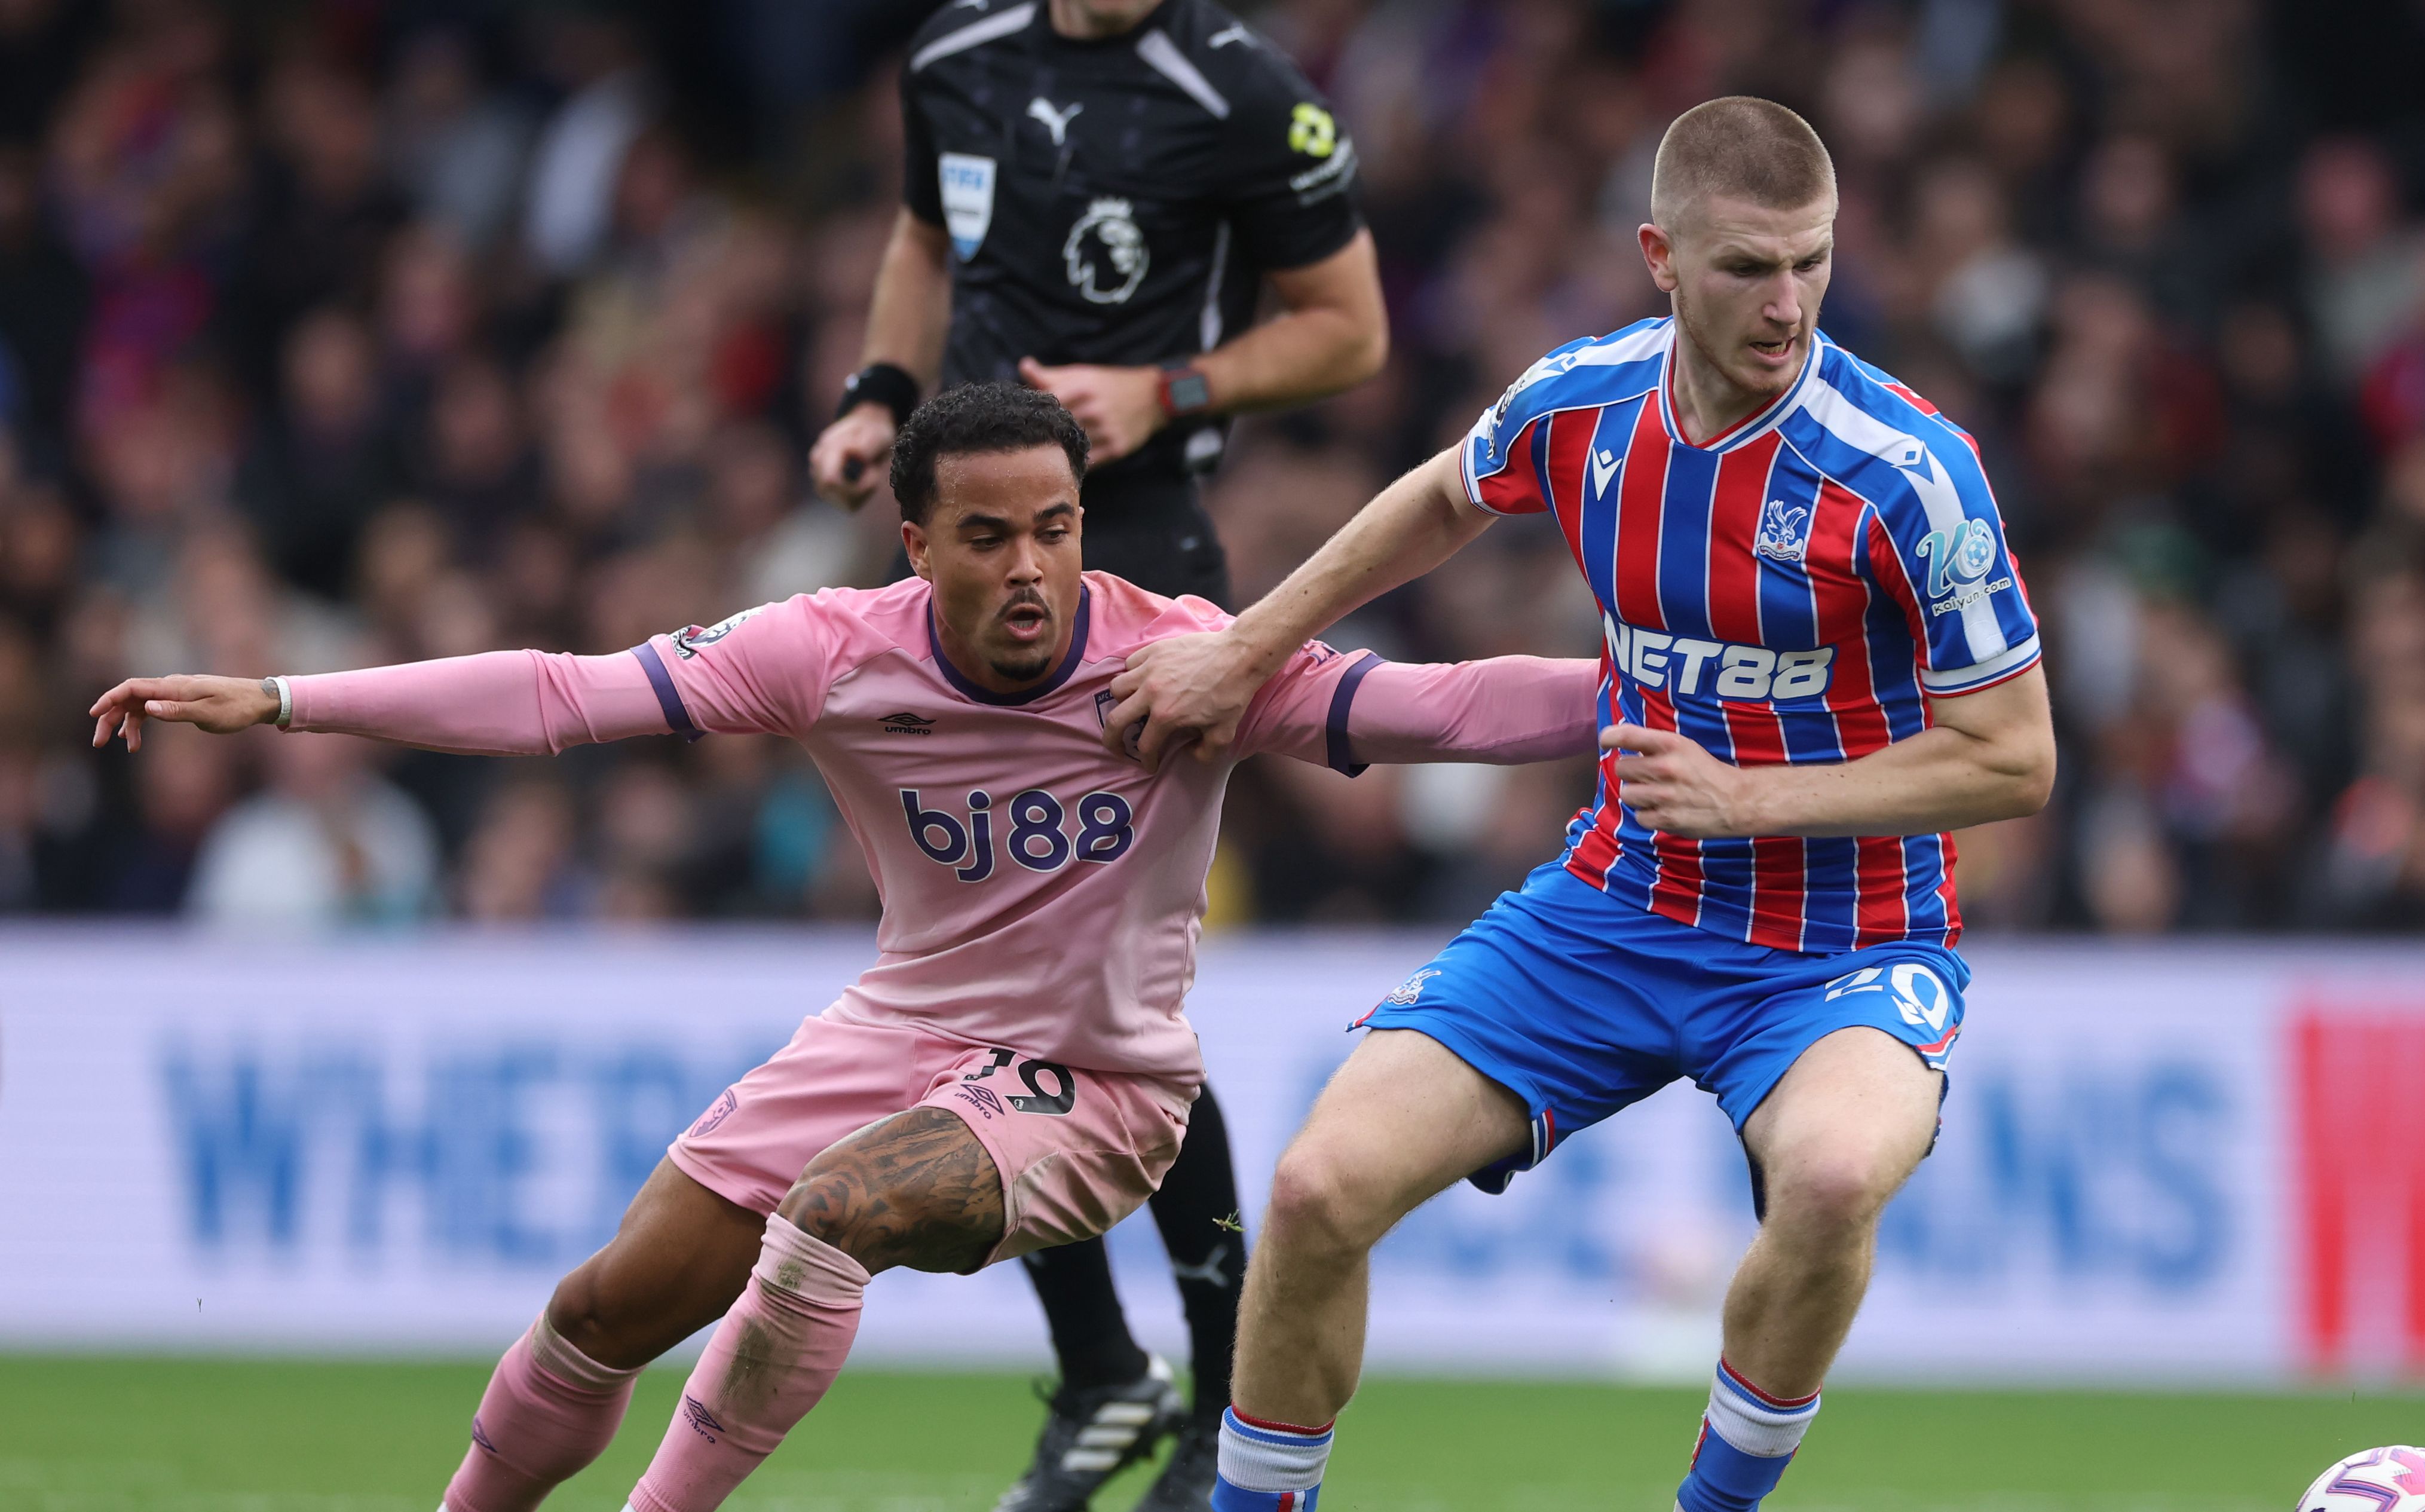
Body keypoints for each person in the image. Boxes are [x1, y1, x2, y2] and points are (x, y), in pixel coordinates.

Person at [91, 384, 1594, 1512]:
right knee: (606, 1305)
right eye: (989, 534)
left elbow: (1448, 708)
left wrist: (1667, 688)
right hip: (892, 1033)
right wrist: (285, 697)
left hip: (1101, 1084)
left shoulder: (1183, 660)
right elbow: (559, 693)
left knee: (836, 1209)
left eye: (1057, 528)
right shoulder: (829, 646)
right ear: (916, 538)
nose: (1029, 568)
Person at [1100, 99, 2059, 1512]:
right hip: (1611, 908)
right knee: (1311, 1193)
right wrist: (1248, 647)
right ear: (1658, 256)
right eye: (1746, 266)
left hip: (1842, 944)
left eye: (1811, 262)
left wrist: (1750, 795)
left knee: (1836, 1175)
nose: (1786, 303)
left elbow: (2014, 759)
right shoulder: (1584, 401)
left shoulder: (1911, 471)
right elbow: (1437, 496)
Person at [804, 2, 1388, 1502]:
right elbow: (925, 238)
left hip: (1128, 555)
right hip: (971, 556)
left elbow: (1350, 329)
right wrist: (884, 393)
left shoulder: (1242, 92)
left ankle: (1205, 1400)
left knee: (1116, 1001)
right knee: (993, 986)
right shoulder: (955, 57)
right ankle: (1108, 1373)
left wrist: (1169, 389)